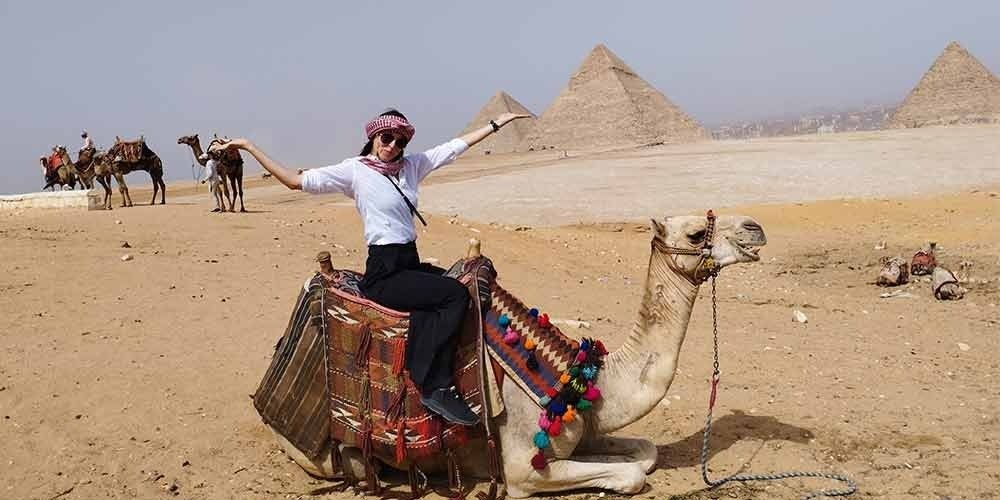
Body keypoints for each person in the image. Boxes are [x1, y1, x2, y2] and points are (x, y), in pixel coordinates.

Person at [217, 109, 529, 425]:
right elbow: (295, 182)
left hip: (409, 261)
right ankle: (434, 386)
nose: (392, 145)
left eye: (399, 140)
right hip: (385, 271)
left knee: (460, 283)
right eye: (386, 137)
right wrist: (247, 146)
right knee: (453, 297)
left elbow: (454, 147)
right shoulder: (355, 170)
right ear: (374, 137)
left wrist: (495, 123)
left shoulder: (412, 166)